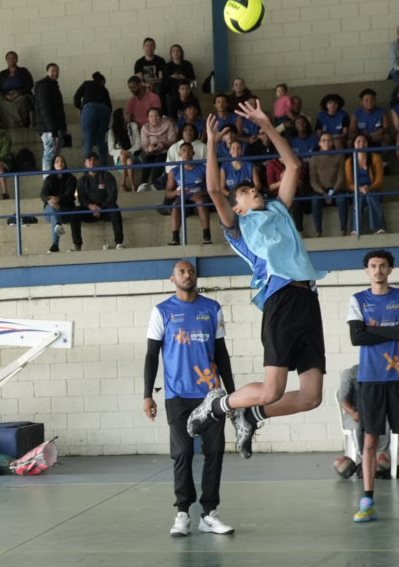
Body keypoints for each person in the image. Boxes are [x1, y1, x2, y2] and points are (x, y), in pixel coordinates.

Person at [187, 101, 327, 458]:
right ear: (239, 206)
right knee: (272, 389)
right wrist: (212, 146)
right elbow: (215, 191)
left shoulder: (279, 207)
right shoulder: (239, 228)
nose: (254, 192)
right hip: (279, 300)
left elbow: (294, 165)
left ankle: (251, 414)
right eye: (246, 192)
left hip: (307, 298)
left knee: (312, 397)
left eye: (255, 189)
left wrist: (267, 125)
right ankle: (218, 405)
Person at [143, 259, 235, 537]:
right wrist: (147, 395)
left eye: (191, 271)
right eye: (182, 272)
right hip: (177, 395)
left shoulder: (212, 308)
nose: (187, 275)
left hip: (211, 396)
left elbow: (221, 353)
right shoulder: (162, 312)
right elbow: (151, 356)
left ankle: (209, 514)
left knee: (215, 452)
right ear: (173, 278)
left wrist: (234, 394)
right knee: (182, 452)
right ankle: (183, 512)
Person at [346, 250, 399, 523]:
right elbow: (356, 338)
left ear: (390, 269)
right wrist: (388, 329)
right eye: (373, 266)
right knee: (370, 440)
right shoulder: (357, 300)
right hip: (370, 379)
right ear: (367, 271)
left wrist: (372, 329)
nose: (378, 270)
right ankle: (368, 500)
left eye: (383, 266)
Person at [75, 151, 124, 250]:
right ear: (85, 163)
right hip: (90, 212)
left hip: (105, 210)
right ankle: (77, 245)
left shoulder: (107, 176)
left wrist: (101, 208)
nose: (92, 162)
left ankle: (119, 242)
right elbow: (81, 199)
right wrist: (91, 207)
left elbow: (113, 195)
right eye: (89, 160)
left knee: (114, 208)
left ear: (98, 162)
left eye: (94, 160)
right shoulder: (81, 180)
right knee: (74, 213)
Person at [39, 153, 78, 255]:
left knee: (54, 210)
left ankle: (55, 245)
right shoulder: (49, 179)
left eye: (62, 161)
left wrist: (58, 199)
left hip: (66, 211)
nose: (60, 163)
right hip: (51, 210)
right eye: (57, 162)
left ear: (65, 164)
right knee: (52, 208)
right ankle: (57, 225)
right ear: (53, 165)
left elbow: (69, 195)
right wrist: (50, 200)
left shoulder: (71, 178)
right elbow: (43, 194)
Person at [33, 63, 68, 171]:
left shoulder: (52, 87)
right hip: (50, 129)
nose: (55, 73)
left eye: (57, 71)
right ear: (47, 72)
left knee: (53, 156)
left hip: (53, 128)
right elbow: (45, 109)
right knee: (49, 156)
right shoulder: (45, 87)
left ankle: (50, 180)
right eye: (52, 71)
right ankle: (47, 180)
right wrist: (52, 129)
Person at [73, 72, 112, 168]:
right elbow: (109, 107)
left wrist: (80, 108)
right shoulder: (104, 89)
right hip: (104, 110)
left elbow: (76, 98)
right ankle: (104, 165)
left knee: (88, 139)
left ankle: (88, 166)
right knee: (101, 139)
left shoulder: (87, 83)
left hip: (89, 109)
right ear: (102, 81)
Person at [0, 51, 34, 129]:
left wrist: (19, 93)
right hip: (6, 96)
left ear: (17, 59)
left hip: (21, 94)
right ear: (6, 60)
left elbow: (30, 84)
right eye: (9, 58)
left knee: (21, 101)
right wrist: (6, 95)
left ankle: (21, 124)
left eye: (13, 58)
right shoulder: (2, 73)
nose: (11, 60)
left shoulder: (23, 71)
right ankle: (3, 126)